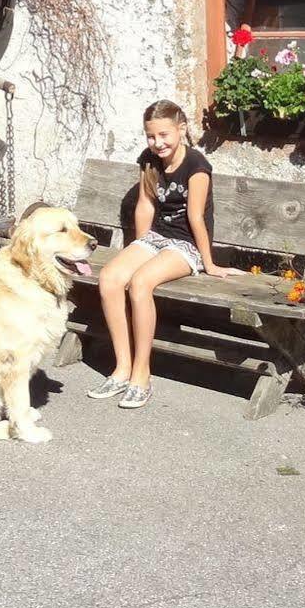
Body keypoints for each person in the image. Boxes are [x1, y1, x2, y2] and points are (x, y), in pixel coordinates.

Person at [86, 99, 238, 408]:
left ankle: (142, 374)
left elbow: (196, 217)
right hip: (156, 238)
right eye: (151, 136)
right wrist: (138, 246)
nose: (158, 143)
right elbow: (146, 204)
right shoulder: (149, 160)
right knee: (111, 278)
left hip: (186, 246)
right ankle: (122, 368)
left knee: (141, 283)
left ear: (181, 129)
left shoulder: (197, 166)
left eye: (164, 135)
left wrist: (209, 264)